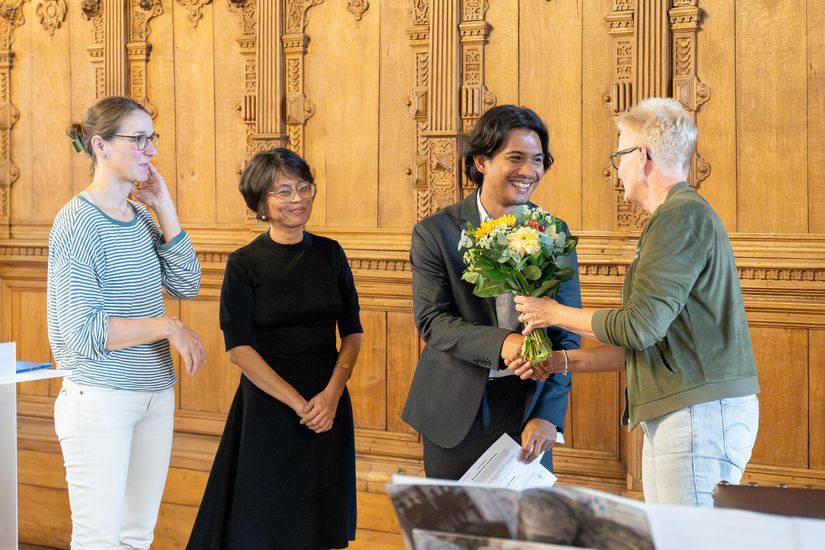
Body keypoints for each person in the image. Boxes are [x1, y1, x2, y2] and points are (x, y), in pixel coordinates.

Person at [511, 97, 759, 507]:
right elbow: (644, 345)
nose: (616, 168)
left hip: (698, 412)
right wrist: (560, 362)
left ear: (640, 156)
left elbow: (637, 326)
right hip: (686, 411)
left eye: (618, 154)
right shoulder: (674, 217)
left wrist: (551, 313)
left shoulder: (680, 217)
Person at [48, 95, 205, 549]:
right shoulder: (77, 220)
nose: (150, 150)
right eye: (138, 139)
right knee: (99, 540)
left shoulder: (137, 217)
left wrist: (164, 205)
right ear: (100, 146)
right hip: (99, 399)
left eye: (151, 139)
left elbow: (186, 281)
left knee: (137, 537)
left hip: (154, 393)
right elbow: (84, 331)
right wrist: (167, 327)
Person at [187, 148, 363, 550]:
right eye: (283, 191)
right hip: (268, 404)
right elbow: (239, 349)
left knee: (319, 519)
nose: (297, 198)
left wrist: (331, 395)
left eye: (303, 187)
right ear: (260, 203)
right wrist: (299, 404)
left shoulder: (330, 253)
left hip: (328, 401)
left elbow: (352, 332)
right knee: (264, 521)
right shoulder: (244, 263)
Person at [401, 105, 582, 479]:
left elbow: (567, 333)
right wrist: (504, 343)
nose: (529, 171)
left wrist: (549, 416)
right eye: (516, 158)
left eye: (538, 160)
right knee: (459, 531)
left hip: (528, 403)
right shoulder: (436, 233)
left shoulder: (553, 232)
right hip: (454, 406)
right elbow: (433, 322)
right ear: (481, 161)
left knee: (522, 533)